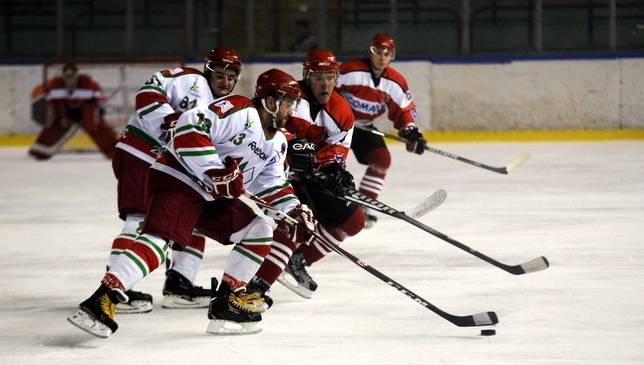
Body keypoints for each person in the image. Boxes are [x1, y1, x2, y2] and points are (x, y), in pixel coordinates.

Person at [67, 68, 315, 337]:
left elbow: (272, 185)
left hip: (209, 196)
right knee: (159, 240)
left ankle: (225, 303)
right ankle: (101, 300)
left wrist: (293, 212)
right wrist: (214, 171)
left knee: (259, 231)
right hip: (179, 178)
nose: (292, 110)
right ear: (271, 100)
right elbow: (188, 126)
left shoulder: (277, 142)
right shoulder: (240, 110)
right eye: (289, 102)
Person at [108, 48, 241, 314]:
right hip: (141, 154)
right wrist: (168, 120)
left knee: (190, 216)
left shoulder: (221, 109)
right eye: (220, 75)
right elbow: (147, 93)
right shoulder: (190, 80)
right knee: (139, 219)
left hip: (170, 167)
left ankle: (180, 284)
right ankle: (113, 289)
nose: (225, 82)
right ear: (207, 70)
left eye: (230, 77)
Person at [253, 49, 365, 300]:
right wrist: (291, 144)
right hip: (275, 173)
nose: (325, 84)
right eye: (318, 77)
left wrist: (335, 169)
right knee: (299, 221)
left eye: (330, 77)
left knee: (354, 221)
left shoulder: (342, 112)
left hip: (307, 176)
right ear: (306, 76)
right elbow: (265, 126)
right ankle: (254, 285)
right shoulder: (289, 96)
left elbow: (337, 150)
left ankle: (298, 260)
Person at [335, 33, 428, 228]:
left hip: (364, 127)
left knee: (382, 160)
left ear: (392, 56)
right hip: (336, 125)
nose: (382, 57)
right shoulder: (350, 70)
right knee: (332, 167)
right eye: (378, 52)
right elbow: (326, 91)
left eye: (387, 53)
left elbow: (403, 109)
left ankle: (363, 207)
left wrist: (410, 130)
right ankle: (331, 208)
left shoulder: (395, 82)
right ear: (370, 51)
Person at [28, 62, 118, 160]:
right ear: (63, 76)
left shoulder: (88, 83)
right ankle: (40, 151)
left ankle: (116, 152)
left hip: (87, 109)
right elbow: (54, 104)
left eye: (72, 77)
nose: (69, 80)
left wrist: (97, 113)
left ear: (77, 75)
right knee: (57, 125)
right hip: (67, 110)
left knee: (95, 126)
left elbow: (100, 100)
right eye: (67, 77)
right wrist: (60, 116)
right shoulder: (55, 85)